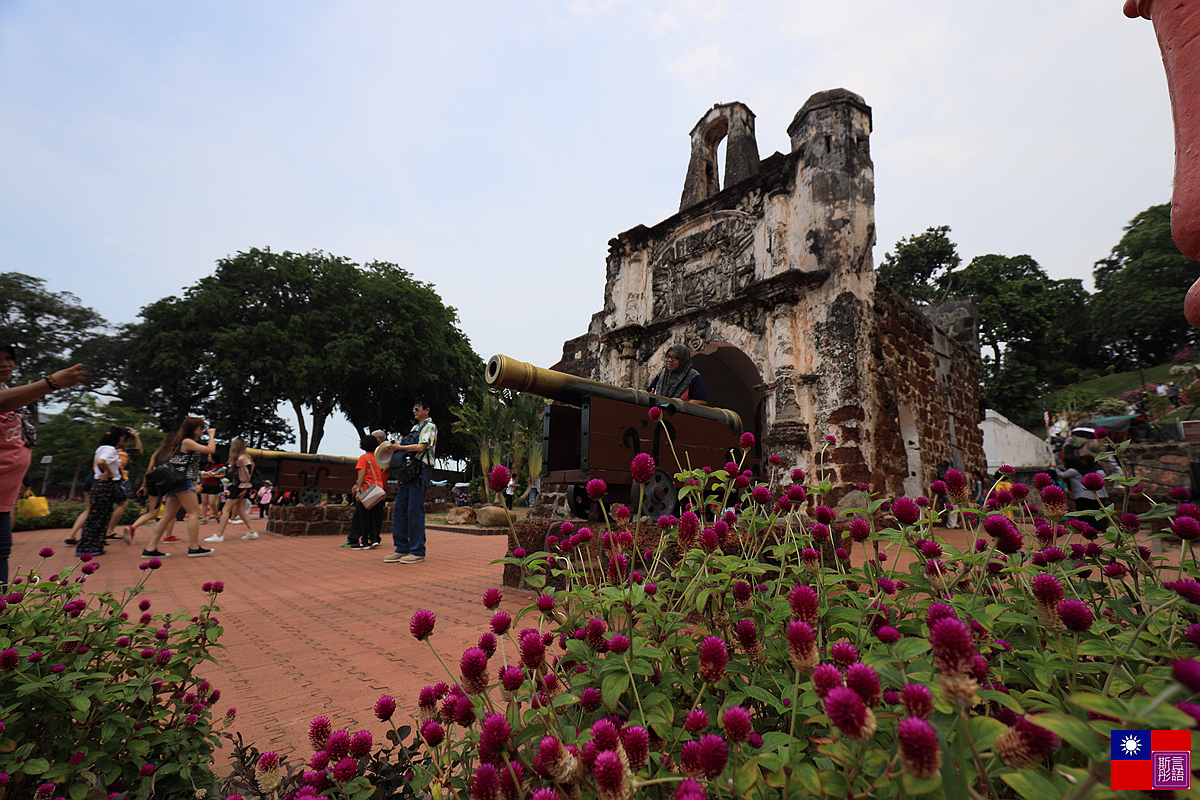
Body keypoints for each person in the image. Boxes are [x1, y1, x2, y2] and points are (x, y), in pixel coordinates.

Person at [0, 346, 87, 585]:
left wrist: (20, 480)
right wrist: (50, 383)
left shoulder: (8, 390)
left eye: (8, 359)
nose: (5, 364)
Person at [142, 417, 217, 558]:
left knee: (167, 516)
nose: (203, 430)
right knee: (194, 513)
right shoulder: (187, 441)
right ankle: (194, 547)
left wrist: (200, 473)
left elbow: (184, 464)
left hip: (177, 481)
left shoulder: (187, 442)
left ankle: (150, 548)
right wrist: (212, 436)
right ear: (192, 428)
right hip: (182, 482)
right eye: (200, 427)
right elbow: (210, 449)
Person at [382, 399, 437, 564]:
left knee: (414, 510)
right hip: (408, 472)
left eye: (417, 408)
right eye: (413, 408)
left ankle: (417, 550)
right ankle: (401, 548)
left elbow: (421, 447)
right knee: (399, 509)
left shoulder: (430, 427)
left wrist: (399, 448)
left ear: (426, 410)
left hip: (420, 472)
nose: (414, 411)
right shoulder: (416, 428)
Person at [76, 425, 130, 557]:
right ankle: (89, 547)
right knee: (99, 517)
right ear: (121, 438)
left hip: (101, 485)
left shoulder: (101, 448)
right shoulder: (110, 450)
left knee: (97, 516)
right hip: (106, 485)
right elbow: (101, 461)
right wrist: (109, 472)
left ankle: (92, 545)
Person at [207, 438, 256, 543]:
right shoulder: (247, 458)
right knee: (240, 510)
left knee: (226, 509)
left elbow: (245, 476)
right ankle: (252, 532)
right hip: (243, 486)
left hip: (239, 486)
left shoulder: (241, 459)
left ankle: (219, 535)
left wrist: (244, 489)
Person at [346, 434, 389, 550]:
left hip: (367, 490)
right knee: (375, 517)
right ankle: (374, 538)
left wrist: (358, 490)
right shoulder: (378, 458)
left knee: (364, 516)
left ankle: (364, 541)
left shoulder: (364, 458)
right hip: (378, 490)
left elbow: (362, 475)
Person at [198, 455, 226, 524]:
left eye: (209, 457)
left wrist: (213, 475)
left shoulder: (221, 465)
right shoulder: (207, 465)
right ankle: (204, 518)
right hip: (205, 484)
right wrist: (207, 475)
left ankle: (216, 515)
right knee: (204, 502)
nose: (207, 458)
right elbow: (203, 475)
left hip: (214, 485)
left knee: (212, 502)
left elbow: (222, 475)